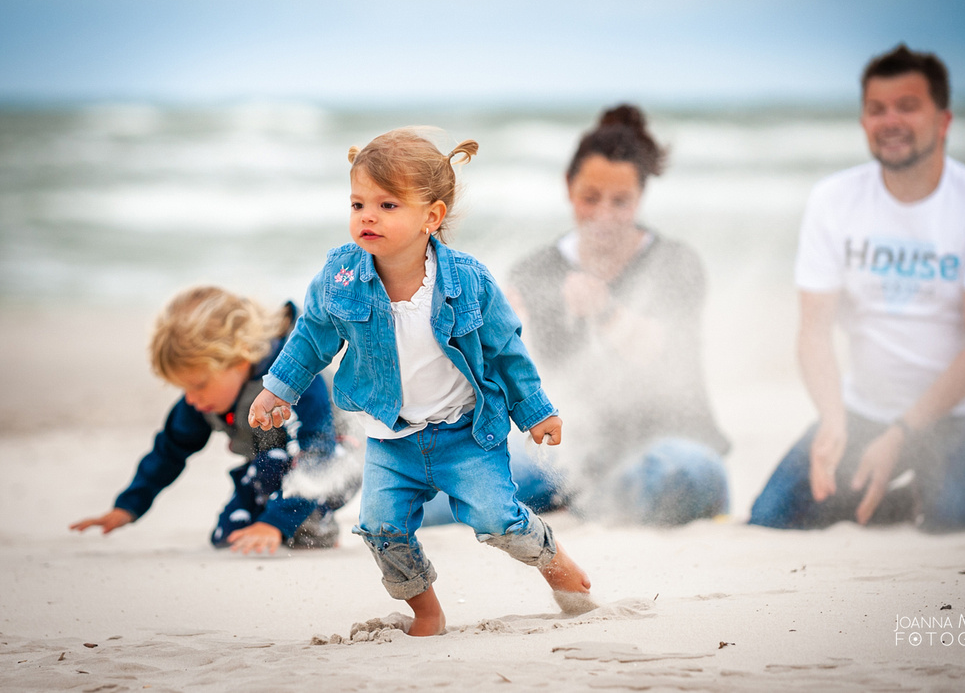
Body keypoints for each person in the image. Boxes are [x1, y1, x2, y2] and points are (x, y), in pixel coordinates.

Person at [246, 128, 594, 637]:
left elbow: (505, 349)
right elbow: (310, 338)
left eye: (388, 205)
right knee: (381, 529)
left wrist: (536, 410)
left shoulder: (468, 281)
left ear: (431, 216)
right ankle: (426, 612)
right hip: (391, 439)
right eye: (358, 202)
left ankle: (552, 560)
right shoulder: (340, 277)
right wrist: (279, 388)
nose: (367, 215)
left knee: (496, 520)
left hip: (464, 435)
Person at [749, 44, 965, 532]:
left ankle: (930, 485)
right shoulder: (834, 200)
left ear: (943, 120)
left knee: (959, 523)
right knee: (773, 517)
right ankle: (906, 498)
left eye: (907, 106)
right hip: (863, 410)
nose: (890, 121)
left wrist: (904, 432)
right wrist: (833, 419)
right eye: (876, 109)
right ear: (863, 121)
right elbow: (814, 332)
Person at [506, 104, 731, 526]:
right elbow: (533, 381)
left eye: (620, 202)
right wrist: (495, 333)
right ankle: (584, 497)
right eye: (590, 198)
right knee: (480, 473)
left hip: (674, 445)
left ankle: (588, 502)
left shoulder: (676, 262)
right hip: (578, 450)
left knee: (674, 473)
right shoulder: (535, 271)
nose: (604, 215)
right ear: (568, 187)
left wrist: (605, 312)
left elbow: (665, 360)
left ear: (641, 198)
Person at [70, 286, 357, 553]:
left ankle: (313, 522)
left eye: (198, 385)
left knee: (291, 519)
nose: (191, 398)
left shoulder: (296, 376)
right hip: (269, 464)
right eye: (184, 388)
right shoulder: (200, 401)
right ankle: (283, 517)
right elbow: (169, 450)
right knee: (228, 535)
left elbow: (319, 449)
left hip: (334, 461)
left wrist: (274, 523)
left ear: (239, 359)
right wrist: (129, 506)